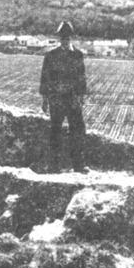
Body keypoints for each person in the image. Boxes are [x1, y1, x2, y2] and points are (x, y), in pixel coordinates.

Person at [39, 21, 89, 173]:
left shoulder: (78, 55)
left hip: (73, 100)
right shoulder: (51, 55)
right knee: (55, 132)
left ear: (71, 38)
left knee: (78, 131)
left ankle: (78, 165)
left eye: (68, 37)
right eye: (63, 37)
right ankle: (55, 166)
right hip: (57, 100)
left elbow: (82, 78)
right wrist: (45, 99)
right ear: (59, 38)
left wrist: (81, 97)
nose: (65, 40)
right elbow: (45, 78)